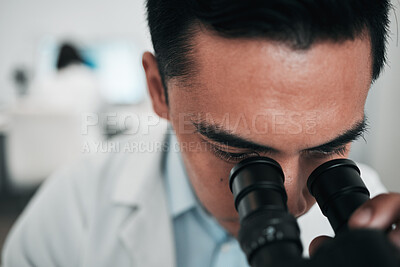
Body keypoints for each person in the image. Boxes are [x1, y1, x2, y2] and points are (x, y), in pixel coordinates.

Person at [2, 0, 399, 266]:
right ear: (159, 89)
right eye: (238, 154)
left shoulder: (376, 228)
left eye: (329, 149)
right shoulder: (71, 217)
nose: (295, 205)